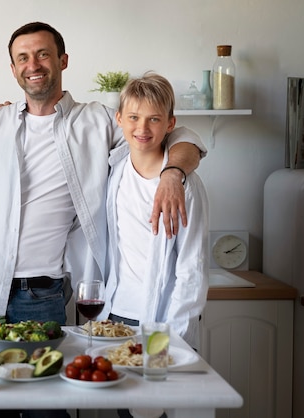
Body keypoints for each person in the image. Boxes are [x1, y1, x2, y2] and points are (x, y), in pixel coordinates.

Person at [0, 22, 206, 418]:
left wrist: (174, 173)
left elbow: (170, 133)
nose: (33, 64)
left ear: (63, 60)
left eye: (43, 54)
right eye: (23, 57)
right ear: (13, 69)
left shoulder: (98, 121)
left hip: (44, 296)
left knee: (46, 409)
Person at [100, 72, 209, 350]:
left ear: (170, 124)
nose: (143, 128)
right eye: (134, 117)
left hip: (163, 321)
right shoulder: (116, 171)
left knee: (162, 391)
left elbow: (191, 269)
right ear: (119, 118)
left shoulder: (184, 186)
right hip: (116, 314)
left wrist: (171, 338)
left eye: (154, 119)